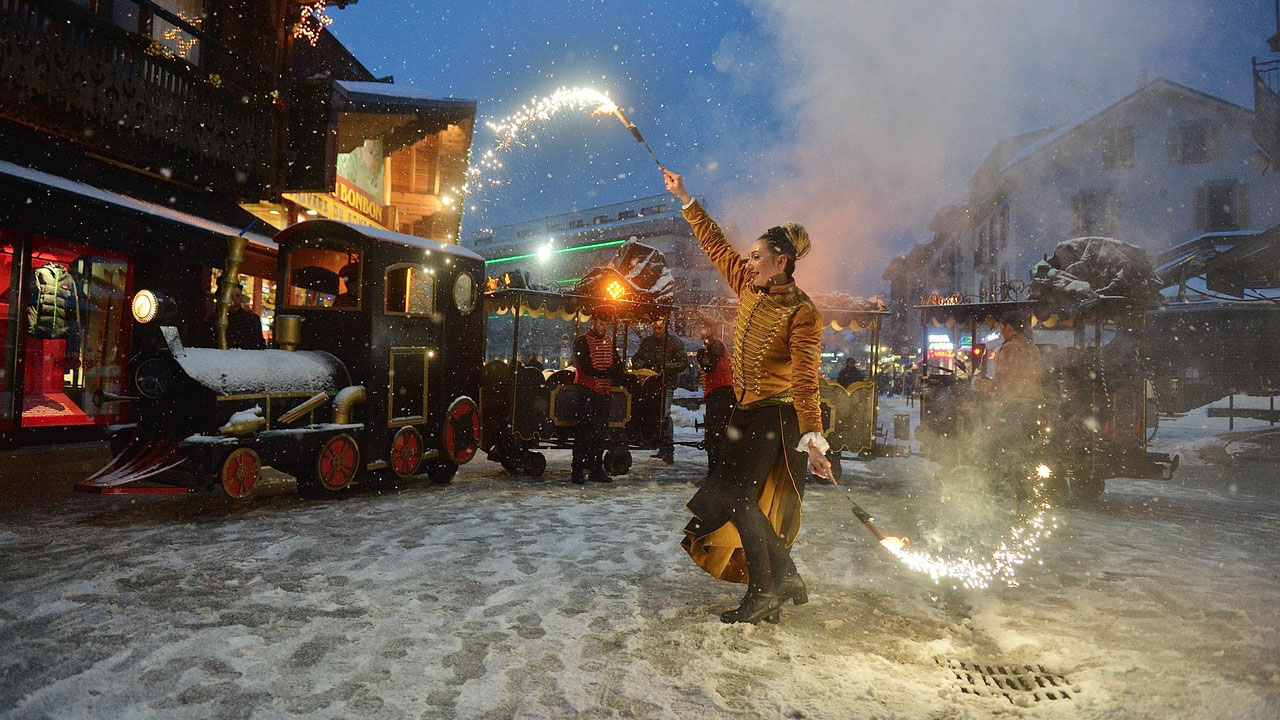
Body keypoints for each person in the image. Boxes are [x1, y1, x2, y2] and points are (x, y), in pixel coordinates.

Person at [664, 168, 833, 625]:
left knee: (738, 497)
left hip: (777, 418)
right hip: (748, 410)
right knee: (733, 496)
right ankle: (785, 577)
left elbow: (805, 378)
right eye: (751, 254)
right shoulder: (746, 282)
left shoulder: (802, 312)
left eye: (758, 256)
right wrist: (686, 199)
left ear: (782, 261)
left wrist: (814, 436)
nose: (749, 260)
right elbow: (715, 243)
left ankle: (765, 590)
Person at [571, 304, 625, 484]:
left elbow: (617, 365)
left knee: (600, 434)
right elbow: (586, 367)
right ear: (593, 322)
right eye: (602, 323)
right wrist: (606, 373)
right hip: (586, 392)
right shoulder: (582, 341)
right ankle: (577, 470)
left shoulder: (609, 342)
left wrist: (614, 373)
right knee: (583, 433)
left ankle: (596, 469)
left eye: (606, 324)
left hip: (603, 393)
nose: (604, 327)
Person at [631, 315, 688, 464]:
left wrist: (664, 368)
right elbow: (635, 359)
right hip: (648, 384)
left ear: (665, 327)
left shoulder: (674, 343)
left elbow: (682, 363)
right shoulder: (647, 342)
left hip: (666, 384)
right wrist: (646, 366)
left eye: (660, 328)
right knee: (651, 413)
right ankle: (656, 441)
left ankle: (667, 447)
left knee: (664, 414)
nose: (657, 331)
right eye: (655, 328)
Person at [696, 322, 735, 485]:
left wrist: (700, 356)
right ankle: (717, 474)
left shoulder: (716, 345)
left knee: (716, 436)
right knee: (716, 436)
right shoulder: (714, 345)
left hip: (721, 394)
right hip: (719, 394)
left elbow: (709, 365)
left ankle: (716, 476)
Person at [208, 284, 265, 350]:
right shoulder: (212, 321)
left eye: (237, 296)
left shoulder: (252, 320)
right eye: (229, 296)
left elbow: (259, 346)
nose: (234, 300)